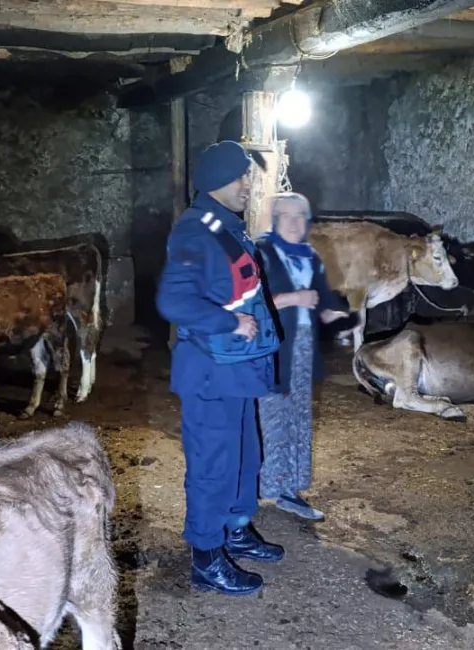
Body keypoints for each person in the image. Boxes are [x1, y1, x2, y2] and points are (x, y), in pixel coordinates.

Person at [155, 140, 285, 597]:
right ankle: (206, 557)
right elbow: (173, 299)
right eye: (241, 177)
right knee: (214, 465)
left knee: (246, 457)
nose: (249, 185)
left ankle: (236, 528)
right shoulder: (195, 231)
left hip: (238, 370)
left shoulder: (223, 225)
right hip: (211, 371)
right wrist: (229, 320)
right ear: (216, 182)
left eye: (248, 175)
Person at [254, 192, 348, 521]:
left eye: (300, 217)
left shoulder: (310, 255)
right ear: (274, 220)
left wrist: (336, 315)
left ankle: (290, 489)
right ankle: (263, 489)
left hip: (303, 345)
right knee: (272, 416)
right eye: (286, 216)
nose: (294, 224)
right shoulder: (261, 253)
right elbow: (253, 303)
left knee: (298, 418)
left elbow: (320, 301)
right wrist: (295, 297)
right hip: (273, 347)